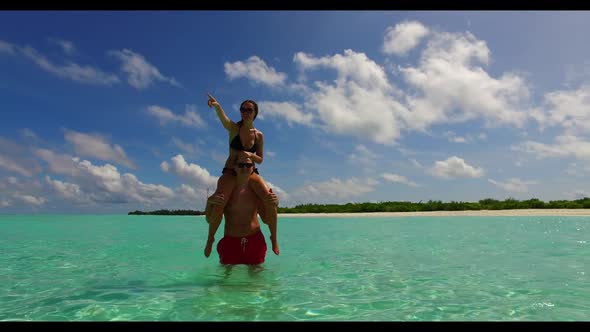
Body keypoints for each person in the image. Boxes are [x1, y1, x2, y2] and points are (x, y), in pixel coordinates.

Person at [205, 93, 279, 257]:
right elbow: (224, 119)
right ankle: (210, 238)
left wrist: (250, 155)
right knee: (219, 201)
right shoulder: (234, 128)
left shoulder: (258, 135)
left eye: (249, 110)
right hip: (231, 171)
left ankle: (274, 238)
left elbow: (259, 159)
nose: (245, 112)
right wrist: (217, 106)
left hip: (250, 170)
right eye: (242, 109)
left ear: (255, 113)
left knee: (270, 199)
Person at [204, 154, 279, 265]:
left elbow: (267, 220)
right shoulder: (226, 190)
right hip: (231, 241)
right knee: (227, 279)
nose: (244, 168)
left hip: (255, 240)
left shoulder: (256, 190)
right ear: (234, 167)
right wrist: (209, 203)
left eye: (248, 165)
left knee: (256, 280)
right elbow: (209, 219)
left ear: (253, 168)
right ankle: (210, 240)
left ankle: (274, 238)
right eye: (241, 165)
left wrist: (274, 203)